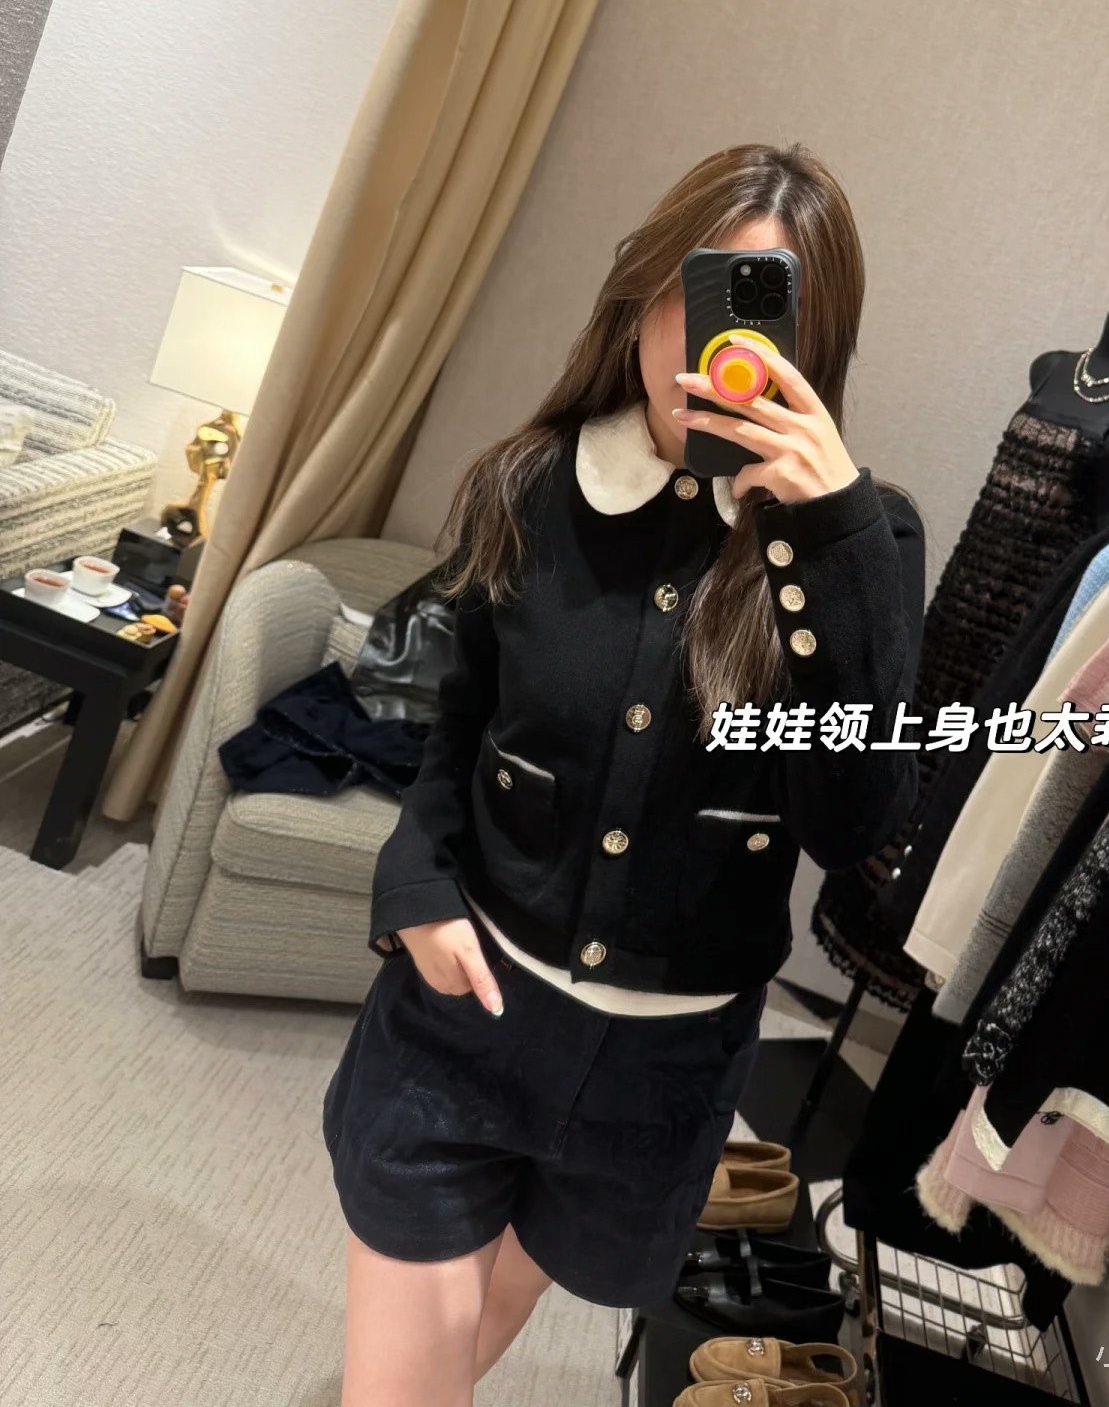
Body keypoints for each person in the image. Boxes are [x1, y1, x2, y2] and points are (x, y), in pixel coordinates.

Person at [321, 141, 926, 1406]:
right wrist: (415, 891)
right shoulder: (531, 484)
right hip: (469, 1009)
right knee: (413, 1371)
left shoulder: (862, 544)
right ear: (645, 296)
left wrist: (830, 539)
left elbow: (853, 823)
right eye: (700, 298)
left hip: (662, 1071)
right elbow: (457, 727)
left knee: (484, 1316)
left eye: (765, 318)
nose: (719, 351)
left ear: (815, 345)